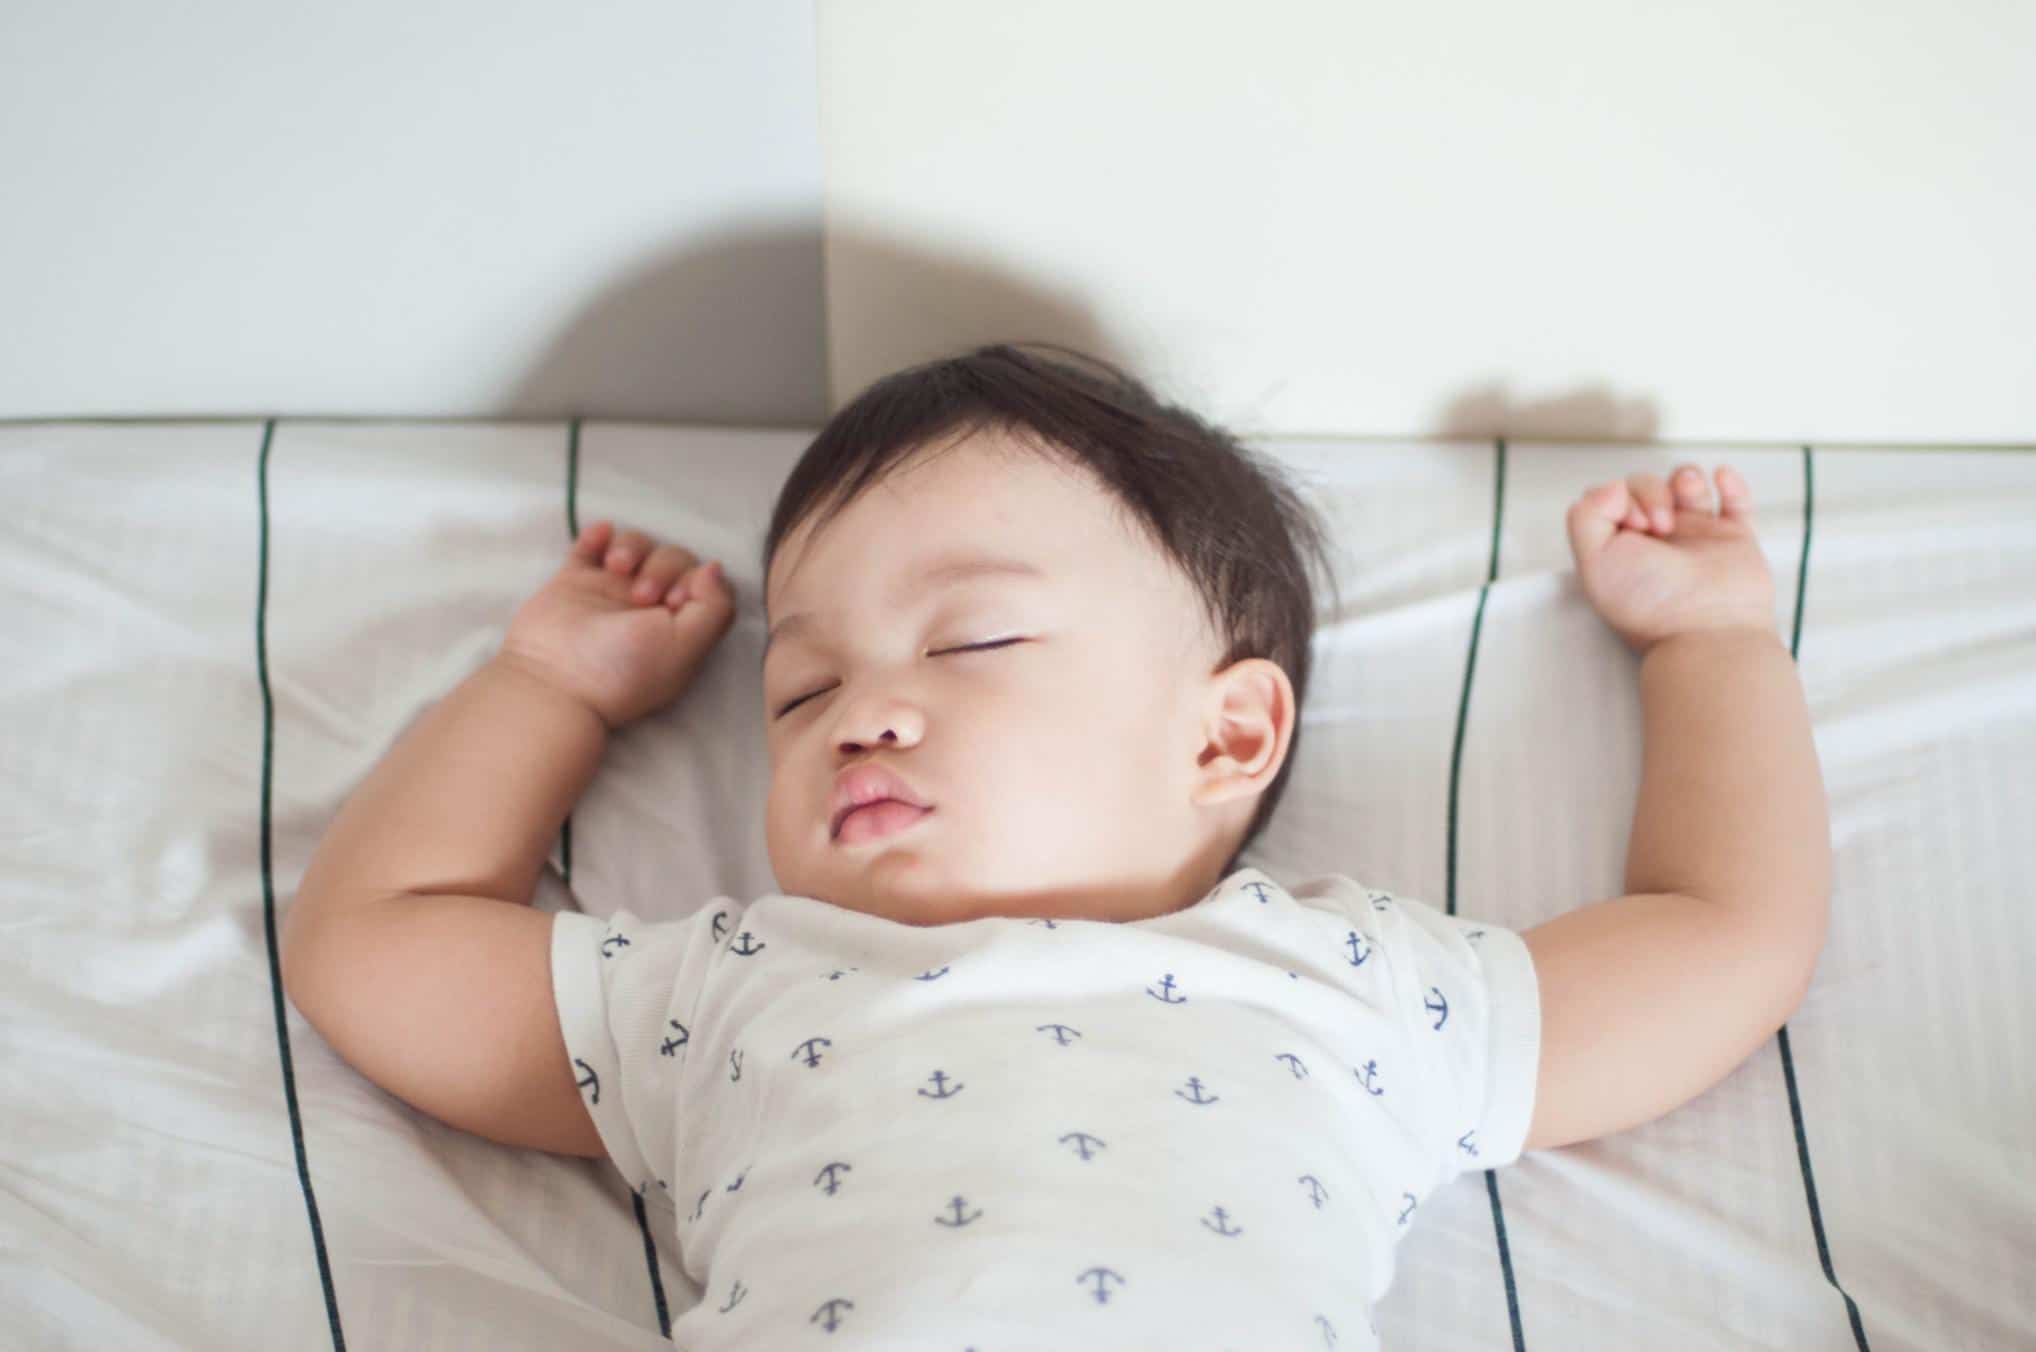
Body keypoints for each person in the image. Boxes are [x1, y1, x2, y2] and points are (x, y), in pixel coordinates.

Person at [281, 343, 1831, 1349]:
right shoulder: (734, 991)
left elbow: (1720, 932)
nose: (858, 713)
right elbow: (380, 942)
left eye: (976, 642)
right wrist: (548, 688)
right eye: (801, 685)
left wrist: (1709, 648)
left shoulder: (1353, 986)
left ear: (1227, 735)